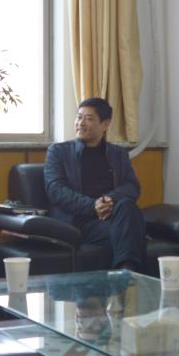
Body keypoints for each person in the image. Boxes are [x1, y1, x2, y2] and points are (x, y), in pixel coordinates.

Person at [44, 97, 146, 271]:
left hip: (110, 218)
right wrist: (93, 206)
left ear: (105, 124)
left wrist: (108, 200)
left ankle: (126, 273)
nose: (80, 123)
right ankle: (130, 275)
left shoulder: (118, 153)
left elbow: (132, 186)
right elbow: (55, 190)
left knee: (127, 208)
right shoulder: (59, 152)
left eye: (89, 118)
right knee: (130, 232)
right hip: (77, 222)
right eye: (79, 117)